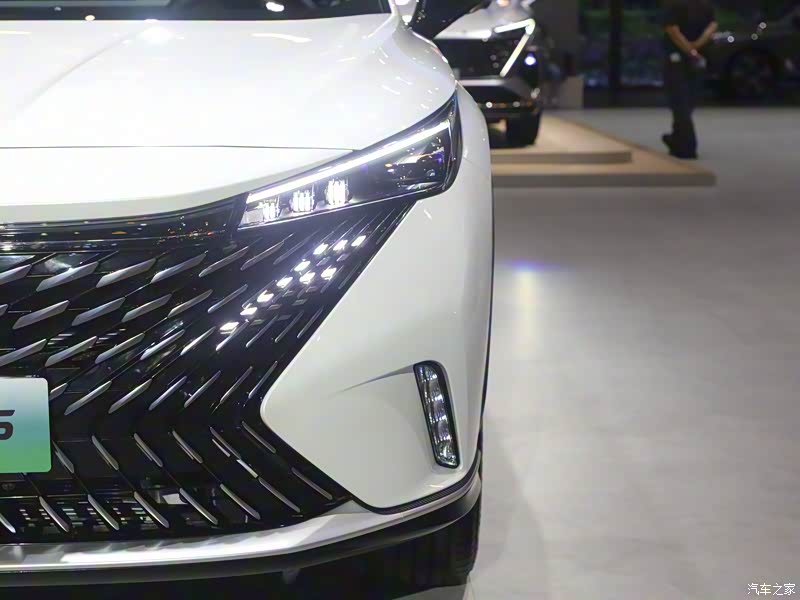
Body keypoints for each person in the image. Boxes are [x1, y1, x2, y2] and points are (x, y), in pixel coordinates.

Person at [662, 0, 718, 159]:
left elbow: (673, 30)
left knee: (679, 101)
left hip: (677, 58)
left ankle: (687, 146)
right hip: (699, 58)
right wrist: (698, 45)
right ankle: (676, 138)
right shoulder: (705, 5)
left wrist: (689, 49)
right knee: (690, 98)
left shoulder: (674, 5)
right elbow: (712, 26)